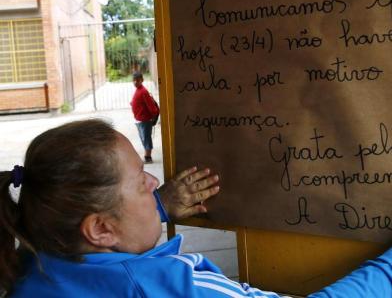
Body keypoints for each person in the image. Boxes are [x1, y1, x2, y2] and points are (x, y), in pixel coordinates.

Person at [0, 119, 391, 297]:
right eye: (141, 181)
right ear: (101, 229)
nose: (156, 183)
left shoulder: (31, 264)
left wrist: (158, 209)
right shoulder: (174, 285)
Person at [130, 72, 159, 164]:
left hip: (145, 120)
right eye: (134, 80)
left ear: (142, 80)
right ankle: (147, 155)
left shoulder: (143, 91)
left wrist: (153, 116)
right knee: (143, 138)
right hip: (140, 119)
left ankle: (148, 157)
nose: (135, 82)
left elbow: (152, 107)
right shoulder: (138, 90)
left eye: (137, 80)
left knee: (146, 138)